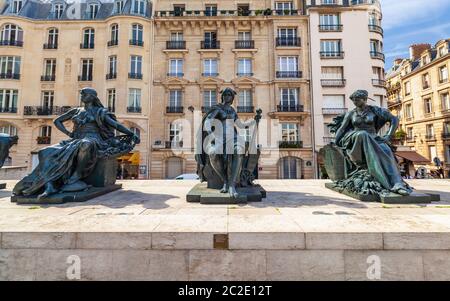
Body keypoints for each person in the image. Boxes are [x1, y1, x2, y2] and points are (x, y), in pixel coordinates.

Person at [13, 88, 140, 199]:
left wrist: (131, 133)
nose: (82, 96)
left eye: (84, 94)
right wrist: (69, 134)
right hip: (75, 139)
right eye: (82, 94)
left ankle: (76, 176)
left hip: (94, 139)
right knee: (45, 151)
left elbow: (116, 125)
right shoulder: (76, 111)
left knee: (85, 145)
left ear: (92, 97)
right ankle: (49, 183)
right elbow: (57, 121)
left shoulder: (100, 112)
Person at [332, 90, 412, 196]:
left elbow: (394, 120)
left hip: (374, 138)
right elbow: (342, 129)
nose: (355, 102)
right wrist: (336, 142)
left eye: (357, 100)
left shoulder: (375, 111)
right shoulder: (351, 113)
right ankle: (380, 176)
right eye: (354, 100)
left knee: (386, 150)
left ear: (365, 99)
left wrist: (388, 136)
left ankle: (397, 184)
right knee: (363, 134)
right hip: (355, 138)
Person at [197, 88, 261, 198]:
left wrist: (254, 121)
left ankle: (232, 185)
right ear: (222, 96)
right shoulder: (218, 109)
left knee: (238, 150)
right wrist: (210, 134)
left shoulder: (232, 111)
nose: (227, 96)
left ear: (232, 98)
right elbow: (208, 121)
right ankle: (225, 180)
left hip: (233, 138)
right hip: (219, 138)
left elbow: (241, 125)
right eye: (225, 95)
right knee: (213, 153)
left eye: (229, 95)